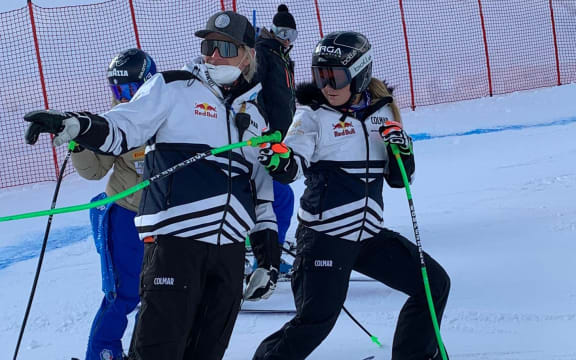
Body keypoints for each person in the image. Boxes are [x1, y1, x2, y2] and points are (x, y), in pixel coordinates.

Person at [24, 11, 279, 360]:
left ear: (248, 55)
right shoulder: (173, 88)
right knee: (157, 351)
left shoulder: (256, 114)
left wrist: (268, 259)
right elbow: (123, 125)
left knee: (207, 351)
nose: (214, 55)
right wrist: (79, 126)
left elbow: (260, 189)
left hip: (230, 253)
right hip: (176, 246)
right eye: (208, 46)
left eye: (225, 47)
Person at [253, 31, 451, 360]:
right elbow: (291, 167)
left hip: (369, 238)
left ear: (359, 73)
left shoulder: (383, 113)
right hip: (324, 238)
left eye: (335, 77)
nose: (327, 86)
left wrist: (403, 151)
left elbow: (399, 180)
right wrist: (277, 158)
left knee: (432, 285)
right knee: (316, 322)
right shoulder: (311, 117)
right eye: (320, 76)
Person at [72, 48, 156, 360]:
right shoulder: (114, 120)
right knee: (124, 293)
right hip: (126, 214)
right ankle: (103, 353)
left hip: (166, 217)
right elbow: (94, 170)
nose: (123, 97)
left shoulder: (168, 110)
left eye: (129, 89)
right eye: (116, 89)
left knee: (165, 290)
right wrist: (79, 142)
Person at [246, 4, 299, 284]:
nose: (287, 38)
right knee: (279, 198)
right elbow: (252, 88)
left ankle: (263, 251)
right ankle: (265, 257)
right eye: (282, 32)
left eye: (292, 33)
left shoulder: (281, 55)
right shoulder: (265, 52)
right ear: (273, 30)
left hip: (281, 139)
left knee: (277, 196)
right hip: (263, 140)